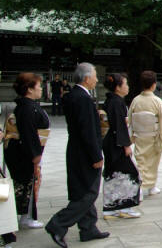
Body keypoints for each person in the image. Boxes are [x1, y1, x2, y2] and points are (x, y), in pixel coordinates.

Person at [46, 63, 109, 248]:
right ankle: (58, 224)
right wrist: (96, 155)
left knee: (83, 189)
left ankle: (88, 227)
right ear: (87, 78)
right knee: (88, 192)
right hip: (85, 151)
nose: (97, 79)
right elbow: (87, 130)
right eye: (95, 75)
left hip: (76, 148)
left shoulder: (74, 96)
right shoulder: (82, 98)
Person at [4, 73, 49, 229]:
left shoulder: (28, 105)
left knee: (31, 183)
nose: (41, 89)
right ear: (29, 89)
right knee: (26, 183)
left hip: (29, 148)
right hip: (24, 152)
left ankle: (27, 215)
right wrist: (35, 153)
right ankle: (25, 216)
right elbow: (28, 133)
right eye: (39, 86)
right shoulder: (26, 107)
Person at [101, 73, 141, 219]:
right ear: (118, 87)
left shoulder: (112, 101)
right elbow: (119, 126)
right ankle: (125, 207)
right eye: (125, 84)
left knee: (113, 174)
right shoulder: (117, 103)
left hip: (111, 141)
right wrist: (125, 145)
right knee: (129, 173)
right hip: (116, 143)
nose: (127, 87)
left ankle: (110, 208)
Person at [128, 71, 162, 197]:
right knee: (153, 162)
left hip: (140, 136)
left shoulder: (136, 100)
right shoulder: (157, 101)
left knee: (141, 162)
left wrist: (131, 134)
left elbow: (130, 118)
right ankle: (150, 186)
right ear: (154, 85)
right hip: (153, 136)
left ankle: (143, 187)